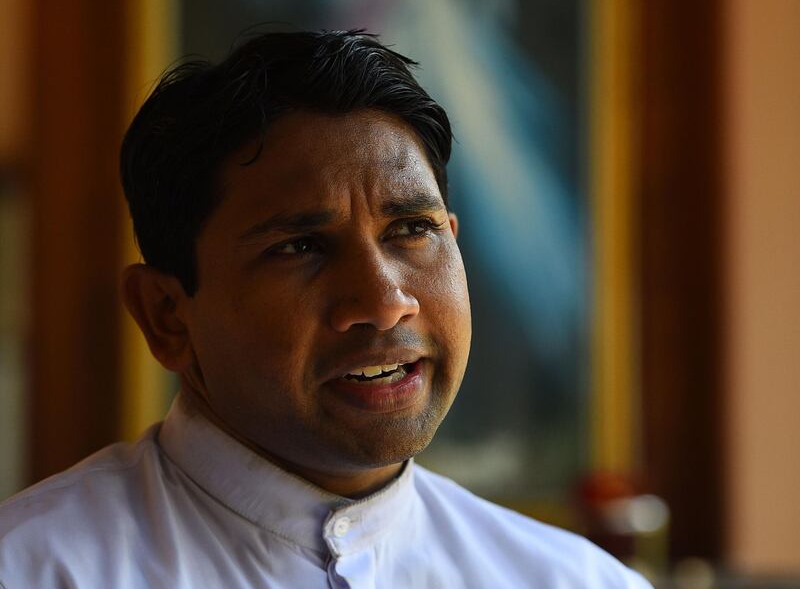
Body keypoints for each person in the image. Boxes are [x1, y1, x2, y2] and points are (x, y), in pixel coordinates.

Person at [0, 30, 651, 588]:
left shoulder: (574, 580)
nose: (383, 303)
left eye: (410, 231)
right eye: (301, 247)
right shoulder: (36, 567)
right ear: (166, 314)